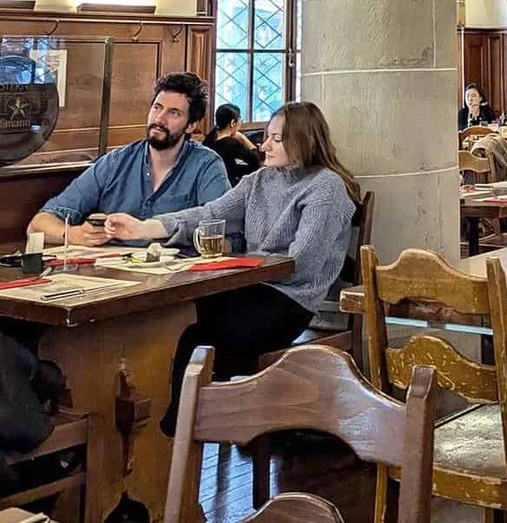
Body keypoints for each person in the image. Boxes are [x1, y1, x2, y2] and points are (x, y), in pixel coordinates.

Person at [106, 101, 359, 435]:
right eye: (267, 136)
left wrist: (245, 265)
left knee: (191, 333)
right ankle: (172, 427)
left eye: (276, 139)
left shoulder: (325, 187)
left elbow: (304, 265)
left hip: (289, 302)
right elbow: (209, 214)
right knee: (172, 317)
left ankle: (178, 431)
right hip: (249, 289)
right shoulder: (258, 181)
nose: (264, 145)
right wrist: (143, 227)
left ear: (304, 140)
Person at [28, 72, 229, 245]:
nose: (159, 119)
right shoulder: (116, 162)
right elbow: (38, 224)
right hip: (112, 277)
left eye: (174, 113)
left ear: (191, 125)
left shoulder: (206, 166)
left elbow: (225, 232)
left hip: (177, 279)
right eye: (157, 108)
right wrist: (73, 234)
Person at [204, 102, 262, 185]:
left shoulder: (208, 140)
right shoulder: (232, 144)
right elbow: (256, 162)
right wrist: (242, 138)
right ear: (232, 123)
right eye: (240, 120)